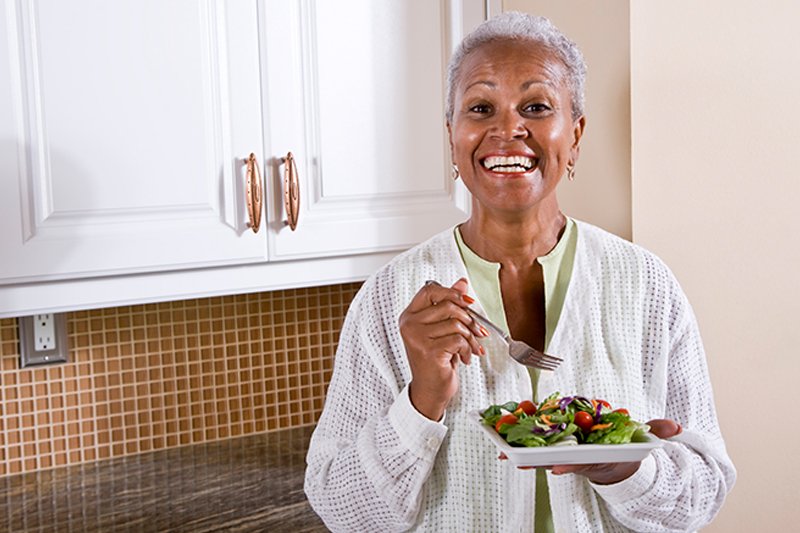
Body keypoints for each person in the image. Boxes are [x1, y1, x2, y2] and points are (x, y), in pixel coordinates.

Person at [304, 11, 735, 532]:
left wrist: (627, 468)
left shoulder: (645, 285)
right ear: (453, 137)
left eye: (535, 106)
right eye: (481, 107)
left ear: (574, 136)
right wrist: (421, 402)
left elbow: (703, 492)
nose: (507, 129)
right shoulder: (389, 297)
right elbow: (343, 510)